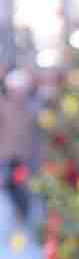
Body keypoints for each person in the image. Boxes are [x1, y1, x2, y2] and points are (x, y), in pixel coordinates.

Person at [0, 67, 37, 222]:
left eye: (22, 90)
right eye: (16, 89)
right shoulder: (3, 106)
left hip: (22, 160)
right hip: (4, 158)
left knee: (21, 193)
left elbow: (32, 137)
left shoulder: (29, 109)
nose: (19, 93)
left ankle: (21, 220)